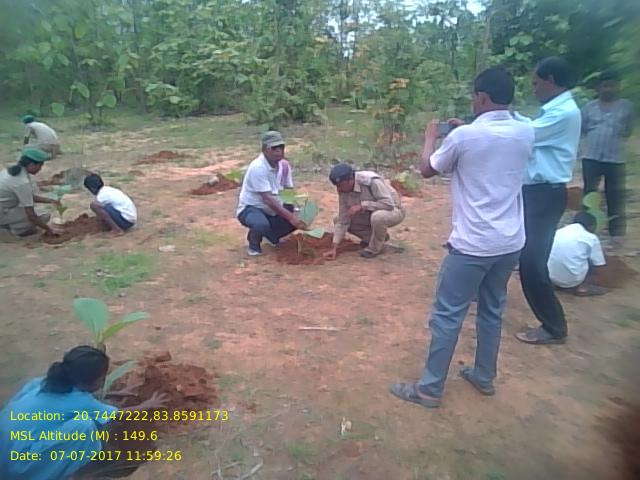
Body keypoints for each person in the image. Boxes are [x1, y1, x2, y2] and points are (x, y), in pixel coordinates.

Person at [389, 68, 534, 408]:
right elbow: (491, 147)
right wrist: (464, 128)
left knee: (447, 315)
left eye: (474, 96)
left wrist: (430, 138)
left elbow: (427, 169)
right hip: (510, 241)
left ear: (481, 97)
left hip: (472, 244)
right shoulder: (526, 131)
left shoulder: (465, 138)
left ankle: (429, 390)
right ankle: (484, 376)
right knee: (492, 310)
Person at [0, 345, 167, 480]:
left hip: (6, 452)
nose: (103, 382)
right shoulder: (81, 401)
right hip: (20, 467)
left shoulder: (43, 383)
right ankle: (60, 471)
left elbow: (71, 400)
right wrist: (147, 405)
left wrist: (115, 393)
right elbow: (116, 415)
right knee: (84, 426)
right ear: (89, 381)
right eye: (102, 379)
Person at [514, 57, 582, 345]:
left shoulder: (564, 113)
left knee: (531, 261)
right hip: (537, 192)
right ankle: (484, 291)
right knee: (513, 246)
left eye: (536, 83)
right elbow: (530, 127)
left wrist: (498, 115)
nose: (534, 89)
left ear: (550, 80)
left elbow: (527, 133)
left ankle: (554, 326)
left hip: (545, 194)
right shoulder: (557, 111)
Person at [580, 70, 634, 249]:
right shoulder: (589, 107)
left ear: (618, 86)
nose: (608, 89)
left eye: (612, 85)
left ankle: (616, 233)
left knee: (615, 195)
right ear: (598, 88)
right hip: (591, 157)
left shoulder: (626, 107)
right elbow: (583, 129)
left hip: (615, 159)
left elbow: (628, 130)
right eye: (605, 86)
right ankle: (586, 230)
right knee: (590, 195)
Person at [236, 131, 306, 256]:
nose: (278, 151)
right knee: (260, 224)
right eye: (274, 148)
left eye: (281, 147)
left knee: (300, 216)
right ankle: (254, 245)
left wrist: (296, 210)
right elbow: (267, 199)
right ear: (264, 149)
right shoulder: (258, 167)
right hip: (251, 208)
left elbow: (288, 190)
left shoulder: (283, 165)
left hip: (272, 208)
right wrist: (291, 217)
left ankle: (272, 236)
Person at [324, 163, 405, 260]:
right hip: (369, 213)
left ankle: (374, 249)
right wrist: (334, 247)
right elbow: (342, 220)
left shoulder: (371, 181)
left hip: (393, 210)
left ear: (350, 180)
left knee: (377, 217)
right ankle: (373, 238)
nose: (338, 189)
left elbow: (388, 204)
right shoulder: (343, 190)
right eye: (337, 186)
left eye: (341, 185)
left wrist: (362, 206)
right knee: (337, 219)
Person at [0, 147, 63, 237]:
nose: (40, 169)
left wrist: (51, 200)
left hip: (5, 208)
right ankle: (10, 230)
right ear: (31, 164)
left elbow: (27, 196)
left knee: (39, 213)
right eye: (40, 166)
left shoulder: (9, 171)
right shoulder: (22, 182)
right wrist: (50, 229)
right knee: (43, 216)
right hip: (3, 212)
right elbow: (31, 215)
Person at [548, 212, 606, 296]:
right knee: (590, 259)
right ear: (591, 226)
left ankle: (557, 284)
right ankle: (582, 288)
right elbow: (599, 265)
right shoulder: (591, 237)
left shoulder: (559, 231)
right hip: (574, 280)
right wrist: (601, 281)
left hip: (551, 277)